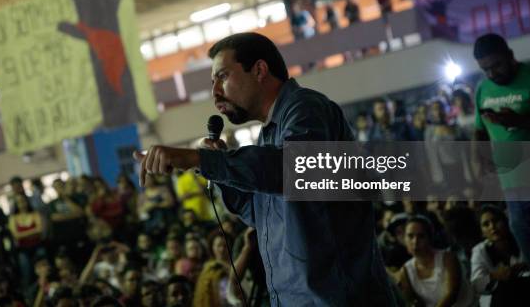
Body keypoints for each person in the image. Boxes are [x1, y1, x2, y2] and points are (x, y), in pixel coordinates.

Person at [133, 32, 395, 305]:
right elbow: (260, 214)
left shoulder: (305, 108)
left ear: (259, 70)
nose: (215, 92)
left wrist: (201, 159)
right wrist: (217, 172)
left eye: (222, 76)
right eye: (213, 82)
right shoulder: (267, 136)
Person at [472, 33, 530, 269]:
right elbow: (479, 131)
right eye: (485, 69)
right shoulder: (483, 89)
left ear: (510, 55)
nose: (492, 74)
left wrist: (518, 121)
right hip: (513, 187)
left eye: (496, 65)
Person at [398, 216, 475, 307]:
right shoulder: (406, 270)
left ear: (430, 238)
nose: (415, 241)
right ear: (404, 239)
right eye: (410, 236)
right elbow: (412, 301)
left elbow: (451, 295)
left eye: (421, 236)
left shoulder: (448, 258)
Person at [471, 205, 530, 306]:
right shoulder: (479, 250)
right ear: (482, 232)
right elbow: (476, 284)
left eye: (496, 221)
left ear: (506, 221)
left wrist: (524, 266)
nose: (492, 226)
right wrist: (496, 275)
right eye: (486, 224)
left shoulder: (521, 237)